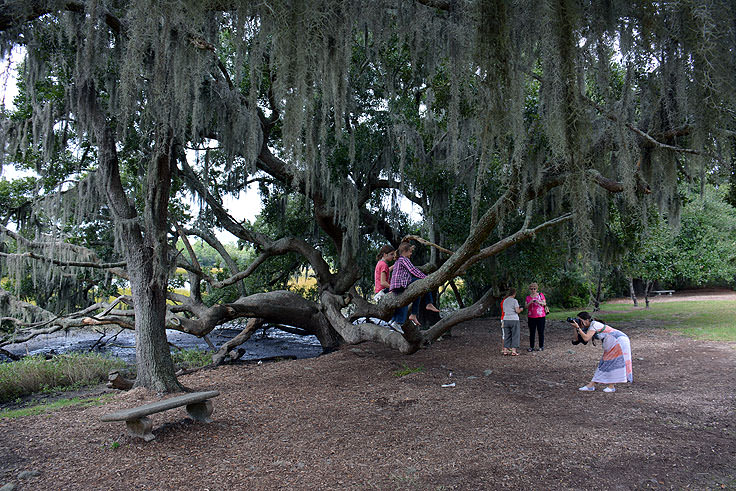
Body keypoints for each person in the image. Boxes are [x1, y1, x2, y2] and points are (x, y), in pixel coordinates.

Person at [570, 311, 633, 392]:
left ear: (586, 320)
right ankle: (603, 386)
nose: (578, 322)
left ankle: (600, 386)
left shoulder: (594, 324)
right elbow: (577, 340)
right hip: (613, 342)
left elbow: (586, 338)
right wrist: (575, 328)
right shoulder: (588, 328)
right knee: (607, 363)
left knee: (610, 362)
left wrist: (578, 328)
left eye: (579, 320)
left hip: (618, 341)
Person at [389, 241, 440, 329]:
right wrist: (425, 278)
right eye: (410, 251)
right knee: (422, 283)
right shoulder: (404, 259)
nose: (411, 254)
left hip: (396, 285)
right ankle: (428, 303)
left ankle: (412, 315)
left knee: (416, 292)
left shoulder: (398, 260)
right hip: (401, 283)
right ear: (405, 251)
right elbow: (413, 270)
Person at [500, 288, 523, 356]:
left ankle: (505, 350)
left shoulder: (504, 301)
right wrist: (521, 309)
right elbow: (517, 311)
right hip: (514, 319)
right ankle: (513, 351)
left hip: (506, 319)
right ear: (514, 294)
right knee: (515, 335)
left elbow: (504, 310)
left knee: (507, 335)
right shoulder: (514, 301)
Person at [525, 282, 547, 351]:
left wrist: (538, 302)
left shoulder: (540, 295)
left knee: (540, 332)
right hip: (531, 317)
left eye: (534, 289)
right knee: (532, 332)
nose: (533, 290)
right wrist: (530, 302)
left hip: (541, 316)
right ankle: (531, 347)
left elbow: (544, 303)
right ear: (530, 289)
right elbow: (525, 306)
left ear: (537, 289)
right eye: (531, 289)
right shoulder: (528, 297)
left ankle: (541, 346)